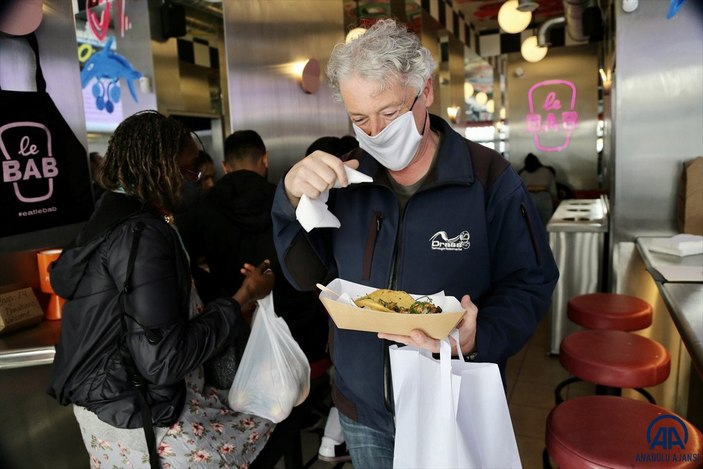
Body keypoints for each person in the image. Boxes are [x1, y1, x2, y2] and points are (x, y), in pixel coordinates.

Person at [271, 19, 559, 468]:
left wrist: (479, 333)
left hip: (449, 401)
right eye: (360, 119)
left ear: (425, 92)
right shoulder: (346, 181)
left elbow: (531, 282)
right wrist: (290, 202)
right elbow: (307, 275)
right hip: (363, 407)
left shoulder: (488, 180)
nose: (376, 131)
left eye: (388, 113)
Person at [47, 110, 276, 468]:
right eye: (189, 170)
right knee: (266, 421)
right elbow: (164, 359)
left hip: (110, 405)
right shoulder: (144, 234)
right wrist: (242, 297)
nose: (198, 179)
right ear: (159, 168)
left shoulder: (111, 215)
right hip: (137, 414)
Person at [175, 129, 330, 467]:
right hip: (302, 339)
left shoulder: (201, 208)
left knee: (247, 413)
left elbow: (182, 266)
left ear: (225, 166)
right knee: (289, 414)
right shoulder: (288, 204)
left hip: (235, 343)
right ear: (264, 160)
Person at [518, 152, 559, 226]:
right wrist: (554, 198)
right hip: (544, 197)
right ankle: (545, 237)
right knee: (546, 224)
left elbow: (519, 191)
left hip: (528, 198)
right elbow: (553, 190)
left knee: (530, 224)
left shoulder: (522, 173)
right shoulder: (547, 171)